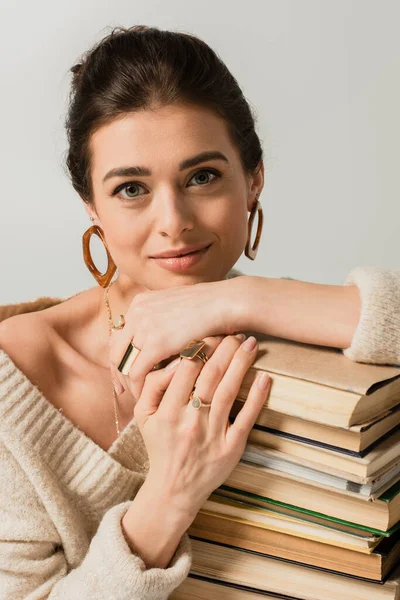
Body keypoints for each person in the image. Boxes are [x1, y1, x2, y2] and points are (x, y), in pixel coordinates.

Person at [0, 24, 399, 599]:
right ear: (91, 204)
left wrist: (244, 296)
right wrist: (169, 497)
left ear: (253, 179)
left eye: (203, 177)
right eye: (132, 189)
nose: (174, 221)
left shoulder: (265, 317)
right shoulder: (20, 377)